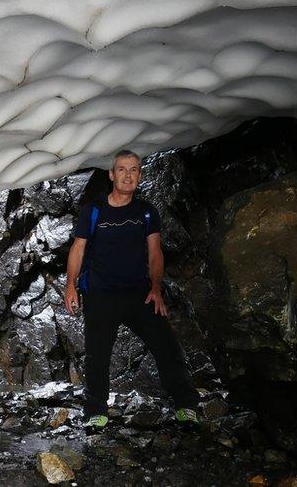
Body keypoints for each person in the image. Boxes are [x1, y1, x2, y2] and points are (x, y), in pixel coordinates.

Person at [64, 149, 200, 432]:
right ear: (112, 175)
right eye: (122, 169)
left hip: (139, 293)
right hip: (100, 293)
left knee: (167, 346)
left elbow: (155, 252)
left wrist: (156, 289)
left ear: (139, 175)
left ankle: (187, 405)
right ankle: (95, 412)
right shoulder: (95, 211)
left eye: (134, 169)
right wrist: (71, 286)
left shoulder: (146, 211)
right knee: (97, 355)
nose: (128, 175)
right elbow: (78, 249)